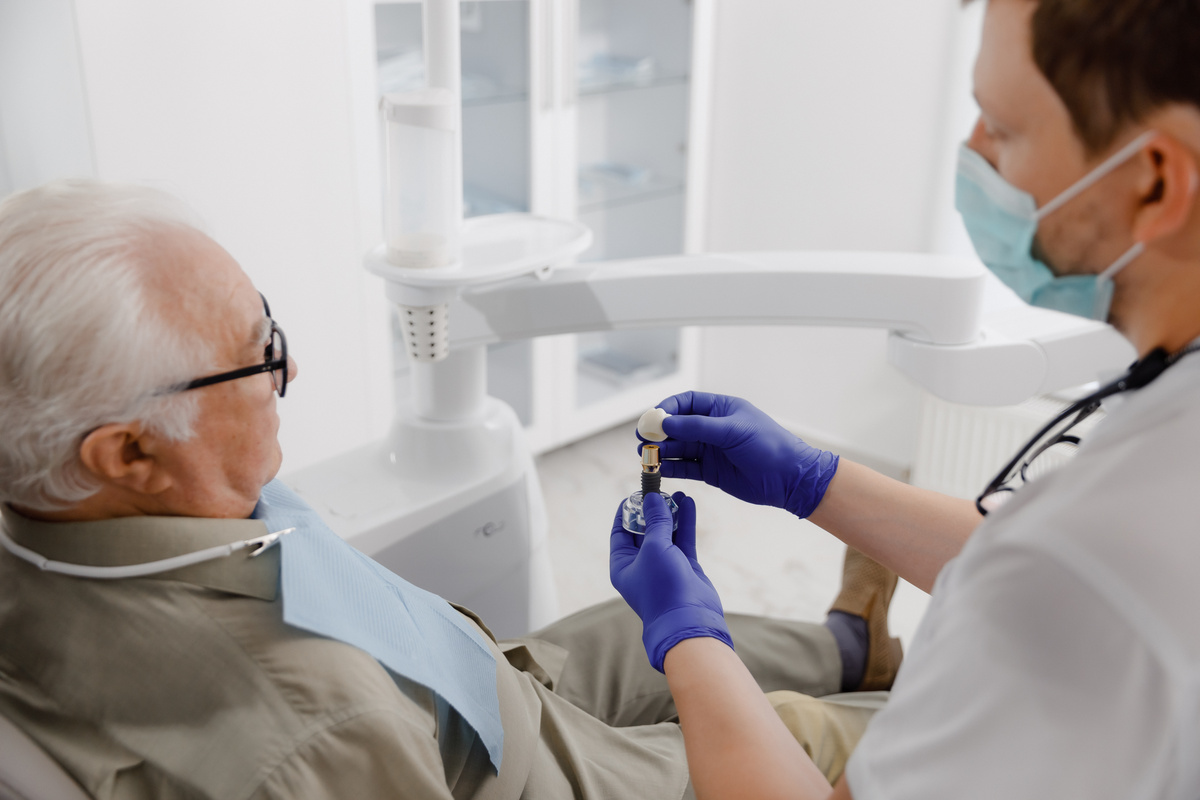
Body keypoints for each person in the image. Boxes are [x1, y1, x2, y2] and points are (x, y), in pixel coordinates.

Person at [0, 179, 900, 799]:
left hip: (463, 682)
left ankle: (848, 644)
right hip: (507, 774)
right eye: (256, 353)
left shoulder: (76, 512)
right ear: (129, 454)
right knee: (826, 736)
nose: (292, 366)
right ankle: (872, 702)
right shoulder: (314, 731)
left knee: (635, 631)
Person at [607, 0, 1200, 798]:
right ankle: (851, 646)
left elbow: (1066, 574)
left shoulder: (1091, 552)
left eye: (1002, 127)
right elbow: (1041, 567)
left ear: (1156, 182)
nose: (973, 154)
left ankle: (845, 648)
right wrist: (811, 481)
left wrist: (685, 636)